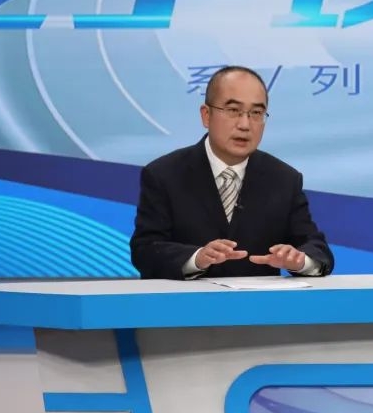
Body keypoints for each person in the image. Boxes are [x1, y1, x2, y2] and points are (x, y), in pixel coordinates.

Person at [130, 66, 334, 280]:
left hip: (259, 301)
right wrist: (197, 259)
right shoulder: (164, 174)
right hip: (187, 300)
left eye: (256, 113)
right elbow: (145, 250)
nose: (245, 125)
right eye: (233, 110)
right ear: (206, 115)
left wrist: (300, 261)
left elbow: (317, 249)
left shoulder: (284, 179)